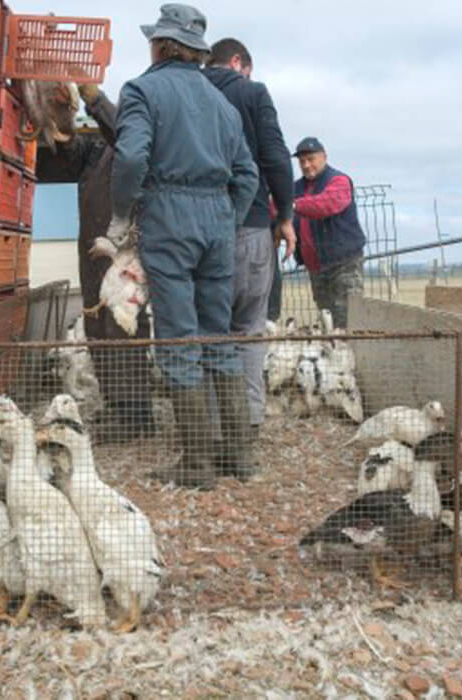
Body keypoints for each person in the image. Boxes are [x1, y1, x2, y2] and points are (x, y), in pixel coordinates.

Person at [110, 4, 259, 489]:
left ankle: (197, 466)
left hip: (170, 216)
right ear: (195, 51)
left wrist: (121, 212)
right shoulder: (223, 105)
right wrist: (227, 219)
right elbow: (249, 175)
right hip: (217, 218)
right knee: (219, 333)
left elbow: (131, 156)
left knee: (178, 337)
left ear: (159, 45)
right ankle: (239, 459)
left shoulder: (141, 90)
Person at [34, 83, 155, 441]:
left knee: (124, 326)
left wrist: (94, 96)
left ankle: (137, 416)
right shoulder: (98, 149)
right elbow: (60, 162)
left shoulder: (133, 142)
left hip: (123, 254)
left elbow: (123, 131)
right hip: (91, 253)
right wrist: (57, 119)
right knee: (97, 325)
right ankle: (117, 405)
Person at [202, 37, 295, 476]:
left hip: (197, 228)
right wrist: (286, 214)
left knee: (208, 331)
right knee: (250, 328)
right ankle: (247, 430)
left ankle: (211, 433)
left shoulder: (191, 89)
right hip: (251, 226)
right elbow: (276, 157)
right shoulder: (252, 92)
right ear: (240, 63)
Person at [290, 137, 366, 328]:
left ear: (324, 157)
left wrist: (290, 205)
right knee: (327, 322)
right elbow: (275, 209)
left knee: (347, 320)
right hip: (316, 268)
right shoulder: (296, 188)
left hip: (343, 265)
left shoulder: (339, 181)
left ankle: (348, 357)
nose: (306, 165)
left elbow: (326, 204)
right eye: (302, 161)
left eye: (311, 159)